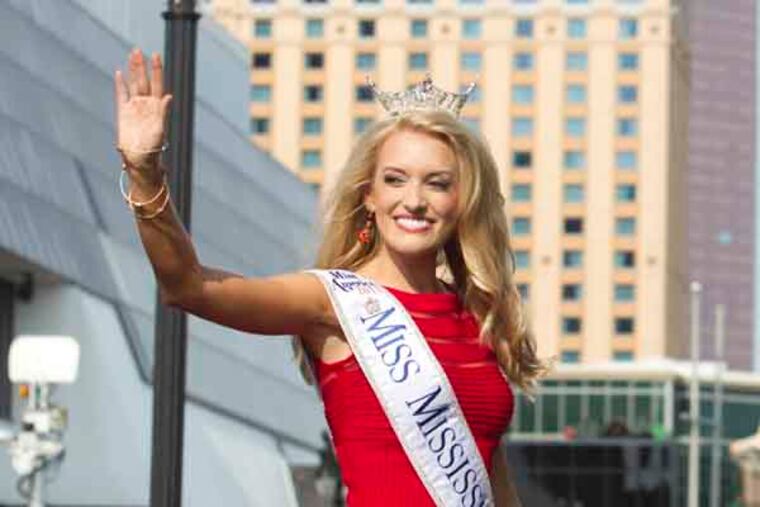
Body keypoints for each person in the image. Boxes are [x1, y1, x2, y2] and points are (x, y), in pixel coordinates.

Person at [114, 48, 546, 506]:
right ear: (370, 196)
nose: (415, 200)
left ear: (463, 202)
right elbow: (188, 287)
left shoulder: (478, 312)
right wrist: (145, 172)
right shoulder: (333, 301)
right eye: (396, 180)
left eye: (437, 183)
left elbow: (494, 480)